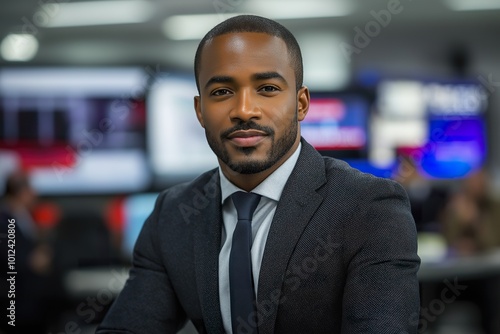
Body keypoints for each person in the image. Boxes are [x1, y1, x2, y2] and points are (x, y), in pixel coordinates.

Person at [97, 15, 420, 334]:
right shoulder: (174, 214)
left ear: (301, 104)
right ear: (199, 111)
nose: (244, 110)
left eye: (267, 88)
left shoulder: (370, 207)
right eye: (222, 92)